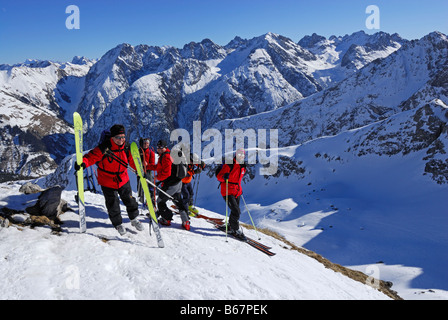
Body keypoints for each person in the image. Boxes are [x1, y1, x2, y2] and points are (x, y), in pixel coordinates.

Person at [74, 124, 144, 236]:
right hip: (107, 180)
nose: (121, 140)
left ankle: (134, 219)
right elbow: (90, 157)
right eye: (118, 137)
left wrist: (140, 171)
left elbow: (133, 162)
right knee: (113, 204)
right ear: (112, 138)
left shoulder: (126, 148)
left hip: (123, 179)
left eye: (123, 137)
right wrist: (82, 163)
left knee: (129, 199)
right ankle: (118, 224)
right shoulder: (104, 148)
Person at [148, 140, 190, 230]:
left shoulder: (166, 157)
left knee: (160, 201)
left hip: (171, 184)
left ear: (165, 147)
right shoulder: (166, 155)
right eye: (158, 147)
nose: (159, 149)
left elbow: (166, 173)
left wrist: (157, 177)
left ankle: (166, 219)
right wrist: (148, 167)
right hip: (178, 183)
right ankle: (185, 221)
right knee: (178, 201)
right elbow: (159, 167)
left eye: (161, 147)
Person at [216, 148, 247, 240]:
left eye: (243, 154)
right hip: (227, 191)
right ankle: (235, 229)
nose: (241, 156)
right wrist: (224, 176)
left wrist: (240, 190)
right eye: (239, 154)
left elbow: (238, 180)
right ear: (236, 154)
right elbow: (219, 177)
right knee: (236, 211)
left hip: (236, 191)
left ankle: (230, 225)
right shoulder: (229, 164)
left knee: (235, 211)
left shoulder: (243, 166)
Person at [137, 137, 156, 207]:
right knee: (140, 186)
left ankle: (151, 201)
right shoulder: (139, 151)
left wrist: (147, 165)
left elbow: (153, 164)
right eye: (144, 143)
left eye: (147, 143)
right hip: (140, 171)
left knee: (150, 187)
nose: (145, 144)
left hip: (148, 171)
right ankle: (141, 200)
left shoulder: (151, 152)